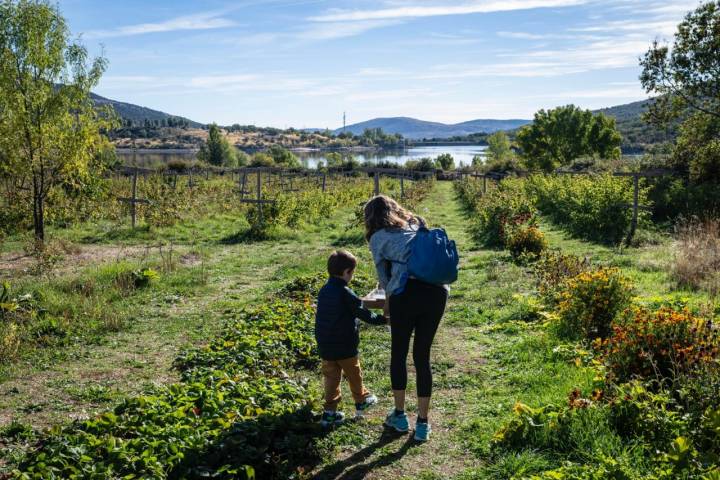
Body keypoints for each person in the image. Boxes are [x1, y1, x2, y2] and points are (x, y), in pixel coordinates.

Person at [364, 195, 448, 442]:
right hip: (436, 293)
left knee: (399, 355)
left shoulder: (378, 238)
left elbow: (385, 281)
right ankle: (422, 424)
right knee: (422, 356)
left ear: (370, 217)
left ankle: (400, 416)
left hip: (405, 295)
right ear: (395, 209)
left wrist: (387, 309)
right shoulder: (416, 223)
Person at [315, 249, 387, 427]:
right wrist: (383, 320)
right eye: (352, 272)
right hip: (345, 345)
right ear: (347, 272)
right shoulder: (345, 292)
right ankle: (361, 399)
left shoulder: (324, 291)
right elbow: (363, 313)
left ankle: (330, 413)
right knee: (354, 374)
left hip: (326, 346)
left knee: (331, 378)